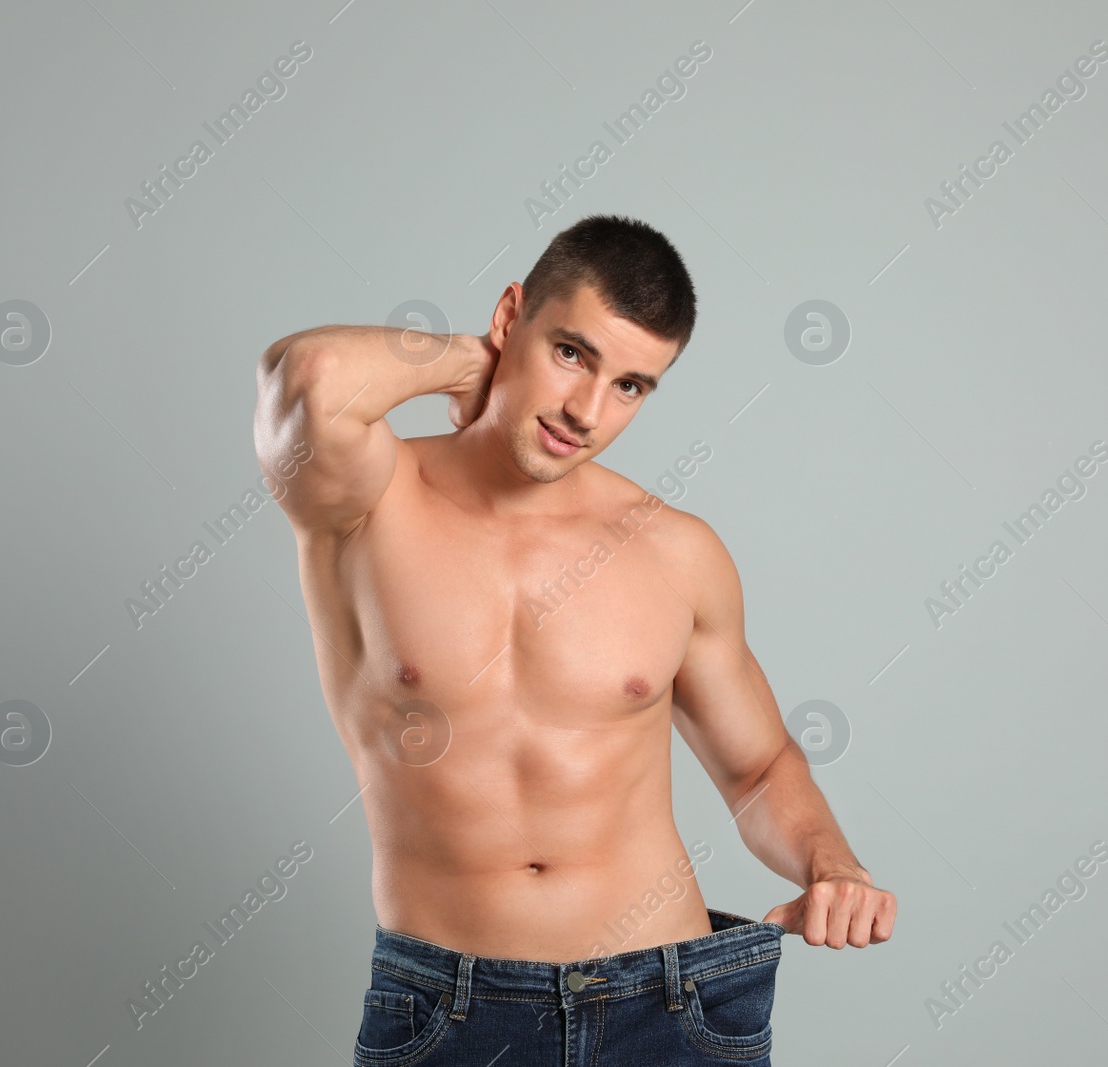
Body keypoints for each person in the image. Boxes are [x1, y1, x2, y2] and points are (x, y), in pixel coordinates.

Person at [252, 214, 894, 1065]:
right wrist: (469, 359)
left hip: (668, 1005)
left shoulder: (675, 552)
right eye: (571, 353)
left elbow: (759, 767)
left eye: (631, 385)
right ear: (510, 314)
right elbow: (312, 373)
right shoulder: (371, 500)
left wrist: (832, 863)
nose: (587, 411)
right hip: (450, 1013)